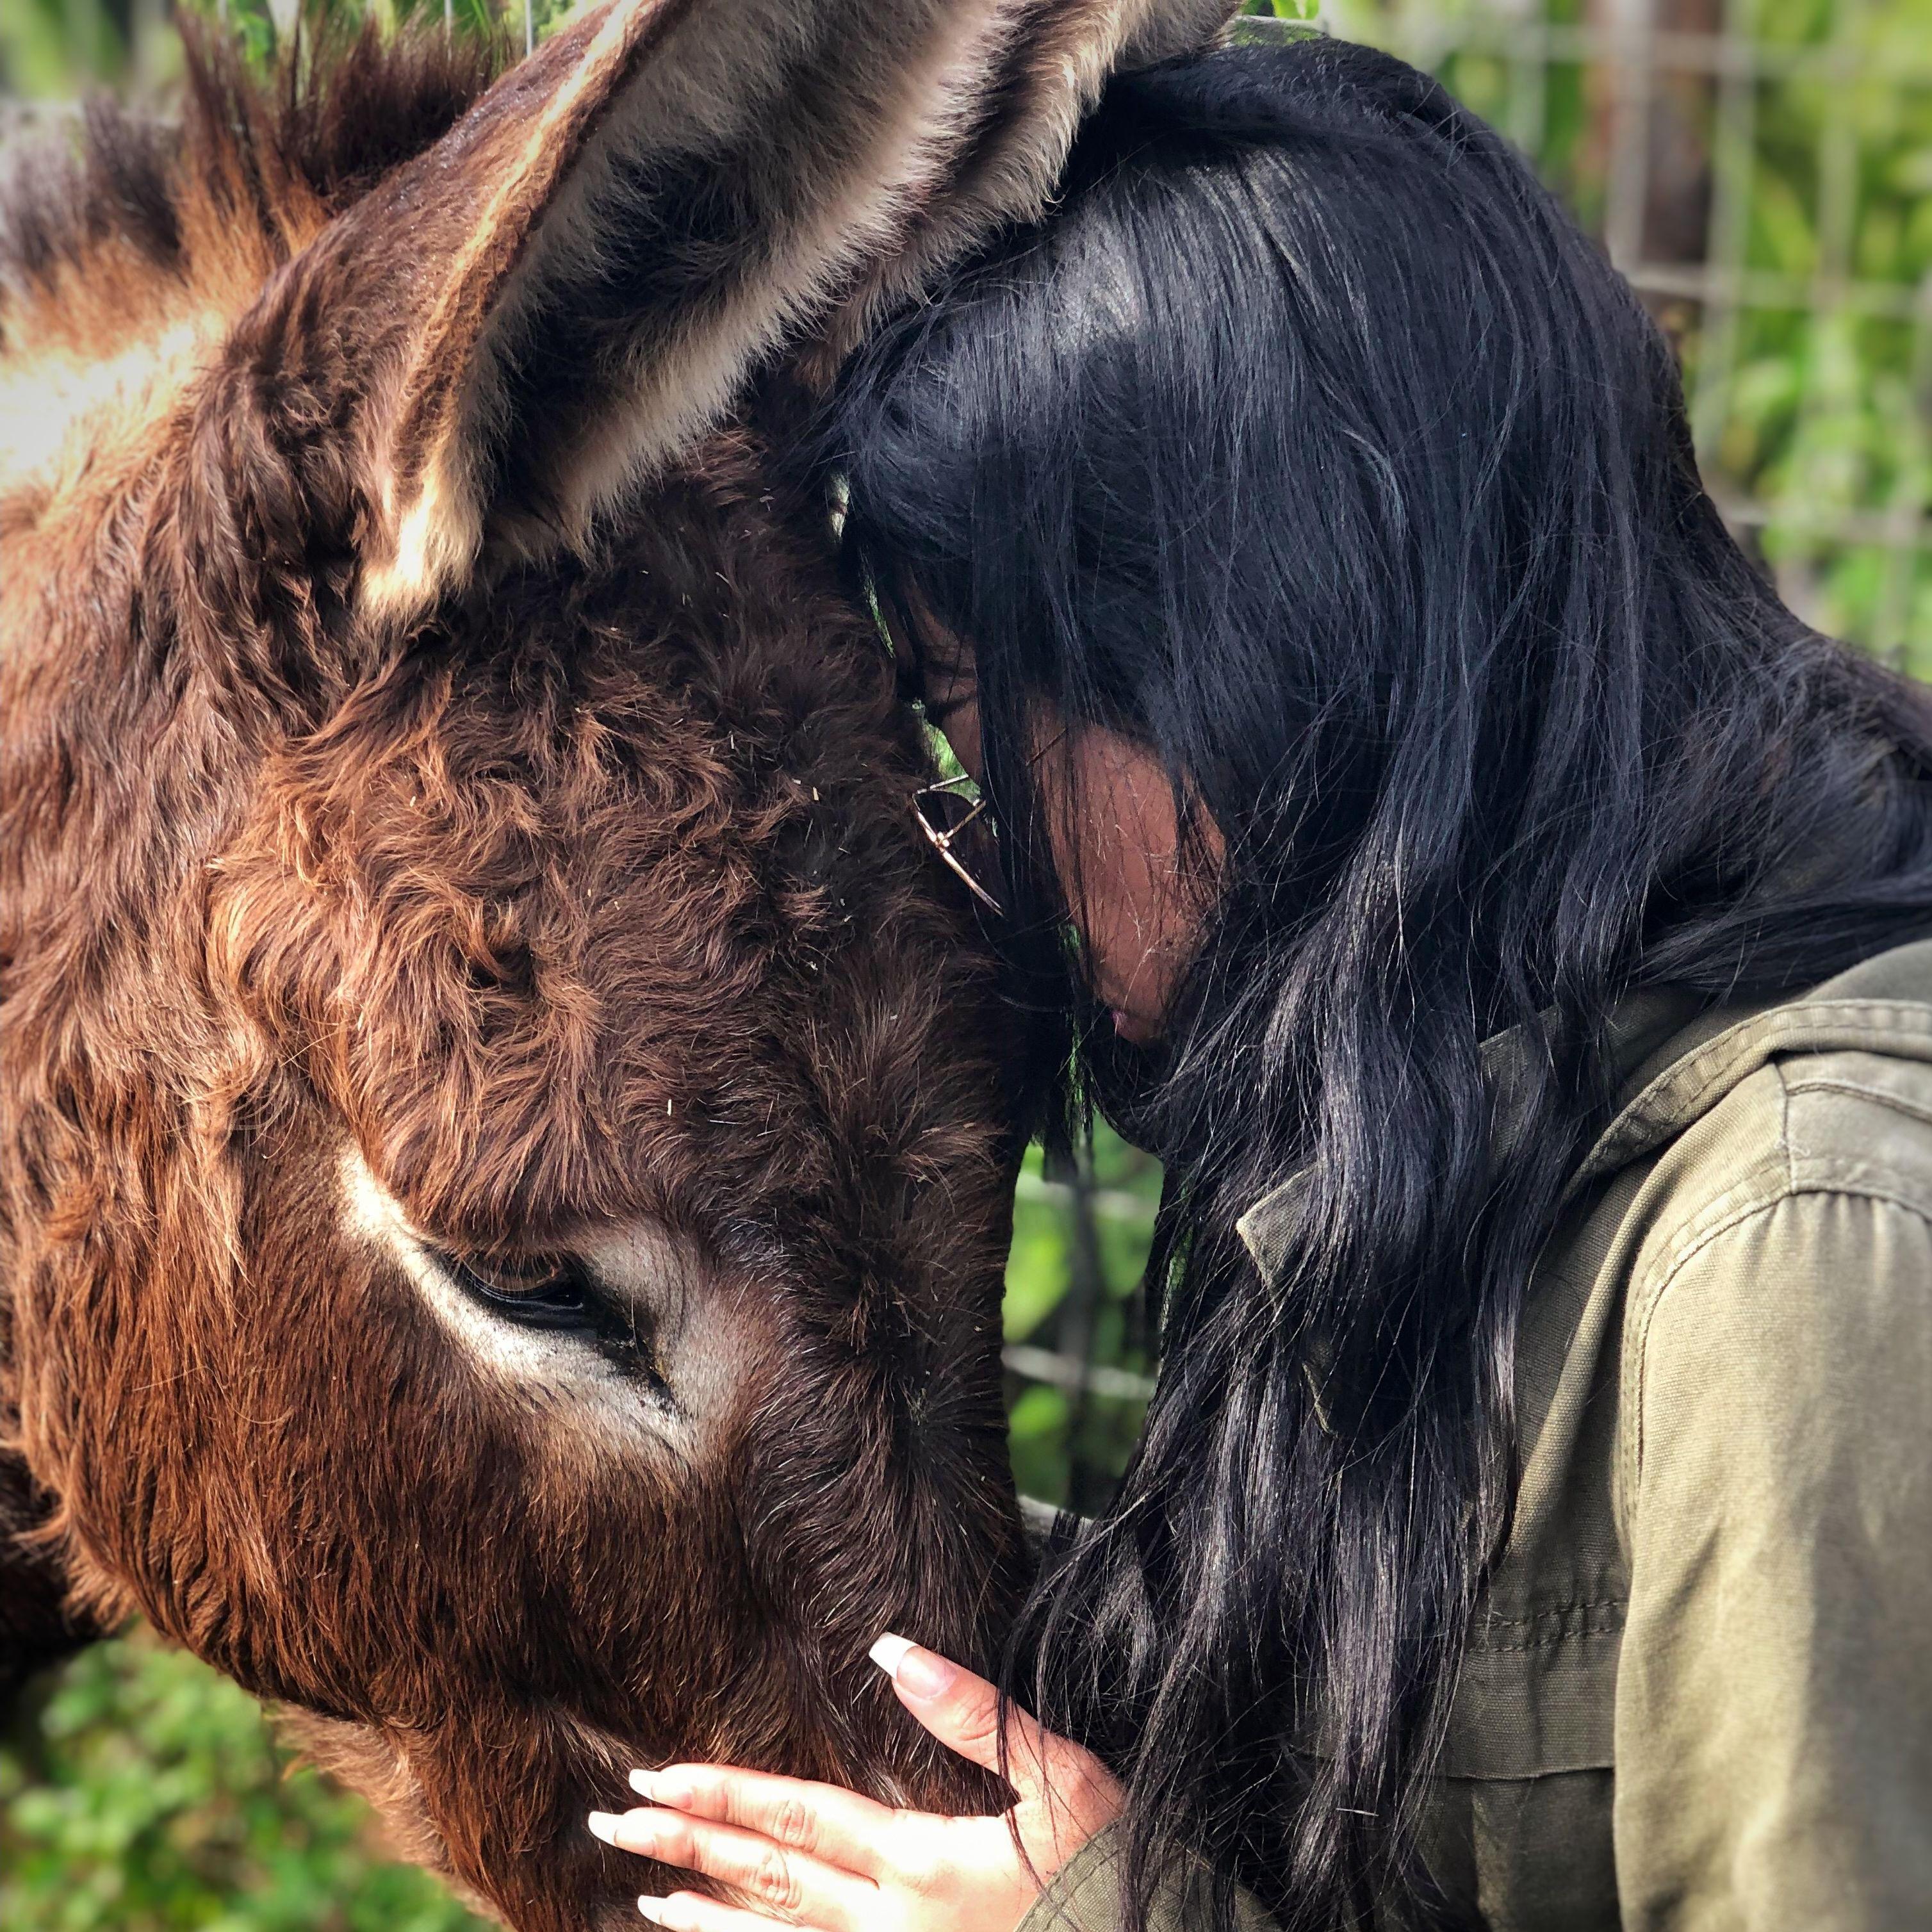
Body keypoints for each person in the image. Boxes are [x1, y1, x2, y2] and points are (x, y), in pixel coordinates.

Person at [582, 33, 1932, 1931]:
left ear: (1263, 658)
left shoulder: (1799, 1248)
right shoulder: (1449, 1078)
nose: (985, 856)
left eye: (976, 719)